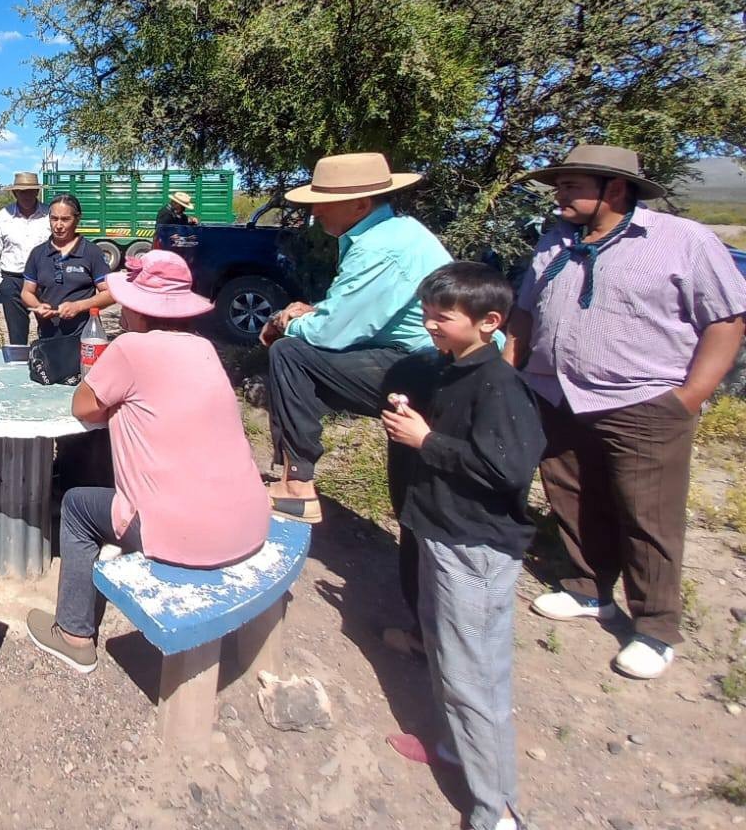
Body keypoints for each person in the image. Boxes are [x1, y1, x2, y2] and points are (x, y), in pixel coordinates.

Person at [506, 144, 746, 679]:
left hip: (642, 401)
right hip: (557, 394)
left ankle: (656, 627)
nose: (560, 194)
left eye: (572, 185)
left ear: (614, 189)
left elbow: (727, 321)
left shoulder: (683, 242)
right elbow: (524, 314)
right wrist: (507, 373)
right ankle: (589, 589)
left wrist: (689, 396)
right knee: (570, 494)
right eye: (559, 185)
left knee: (648, 515)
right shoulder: (556, 242)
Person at [25, 250, 270, 673]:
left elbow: (82, 407)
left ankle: (73, 633)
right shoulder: (204, 348)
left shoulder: (131, 349)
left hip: (185, 533)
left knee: (77, 506)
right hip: (249, 520)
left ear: (139, 308)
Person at [381, 262, 546, 830]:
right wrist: (415, 420)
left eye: (442, 317)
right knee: (449, 656)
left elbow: (508, 468)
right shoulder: (453, 370)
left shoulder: (500, 385)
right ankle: (455, 749)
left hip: (473, 547)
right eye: (426, 314)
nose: (429, 325)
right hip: (440, 533)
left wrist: (427, 441)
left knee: (476, 676)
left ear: (489, 322)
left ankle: (496, 807)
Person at [260, 152, 451, 525]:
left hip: (427, 364)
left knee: (289, 354)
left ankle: (298, 484)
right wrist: (313, 312)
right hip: (421, 355)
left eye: (324, 205)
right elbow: (355, 310)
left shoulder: (378, 248)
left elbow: (333, 332)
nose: (316, 214)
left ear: (360, 204)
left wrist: (284, 322)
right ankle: (293, 470)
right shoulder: (396, 232)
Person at [20, 193, 114, 340]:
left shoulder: (91, 252)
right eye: (54, 219)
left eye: (65, 219)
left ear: (77, 219)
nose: (58, 225)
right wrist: (38, 306)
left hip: (84, 336)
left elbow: (110, 294)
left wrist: (79, 306)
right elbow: (27, 292)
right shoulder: (38, 253)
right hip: (48, 335)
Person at [0, 172, 51, 345]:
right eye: (22, 191)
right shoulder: (4, 215)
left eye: (30, 191)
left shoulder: (48, 215)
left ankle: (49, 368)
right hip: (12, 281)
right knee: (17, 336)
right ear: (15, 193)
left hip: (43, 281)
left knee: (50, 331)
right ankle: (19, 369)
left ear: (37, 192)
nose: (27, 195)